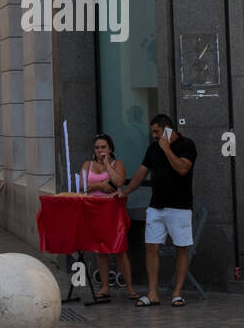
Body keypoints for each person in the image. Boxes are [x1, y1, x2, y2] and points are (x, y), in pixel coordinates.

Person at [118, 113, 197, 308]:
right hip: (156, 206)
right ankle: (153, 293)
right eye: (153, 132)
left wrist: (167, 149)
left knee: (181, 247)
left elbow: (182, 169)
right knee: (151, 246)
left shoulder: (187, 145)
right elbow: (141, 173)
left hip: (179, 206)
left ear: (168, 129)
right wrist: (125, 192)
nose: (154, 135)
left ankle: (177, 293)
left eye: (157, 131)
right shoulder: (153, 148)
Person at [78, 133, 138, 301]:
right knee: (100, 251)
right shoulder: (87, 164)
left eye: (103, 147)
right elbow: (81, 184)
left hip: (112, 212)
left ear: (110, 148)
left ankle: (130, 288)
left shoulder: (116, 164)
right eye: (97, 148)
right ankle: (105, 287)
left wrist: (106, 164)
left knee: (119, 249)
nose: (99, 150)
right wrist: (100, 186)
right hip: (93, 210)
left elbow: (119, 181)